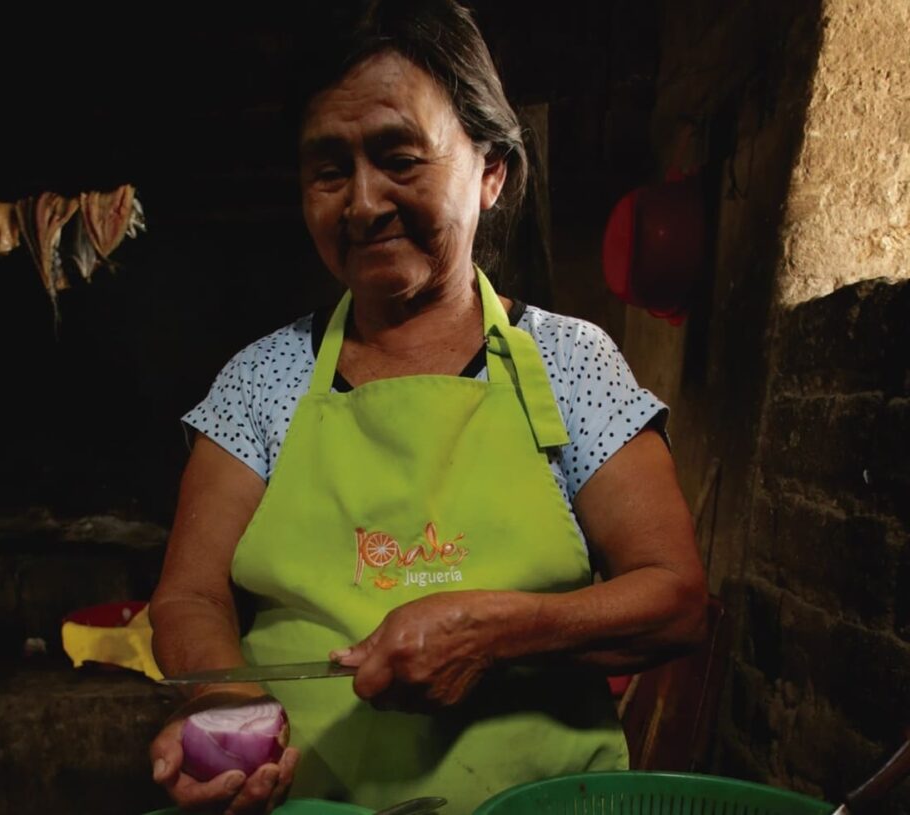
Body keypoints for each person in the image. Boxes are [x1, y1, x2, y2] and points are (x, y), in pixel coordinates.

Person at [148, 1, 708, 812]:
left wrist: (492, 631)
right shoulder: (260, 380)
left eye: (400, 158)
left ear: (491, 171)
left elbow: (676, 598)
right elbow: (190, 595)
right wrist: (223, 706)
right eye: (328, 169)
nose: (362, 202)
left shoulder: (570, 364)